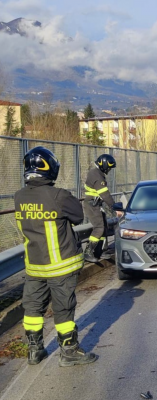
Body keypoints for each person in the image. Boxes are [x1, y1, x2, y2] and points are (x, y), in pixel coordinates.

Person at [15, 146, 97, 367]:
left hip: (34, 266)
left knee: (33, 308)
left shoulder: (19, 196)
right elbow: (78, 218)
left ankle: (35, 350)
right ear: (50, 168)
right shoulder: (60, 196)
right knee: (63, 308)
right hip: (61, 265)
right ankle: (69, 351)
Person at [83, 154, 116, 263]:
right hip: (92, 204)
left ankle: (100, 251)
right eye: (109, 168)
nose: (109, 170)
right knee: (99, 228)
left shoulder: (97, 173)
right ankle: (88, 252)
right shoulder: (96, 175)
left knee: (104, 227)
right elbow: (105, 194)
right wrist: (113, 206)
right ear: (104, 165)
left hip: (96, 203)